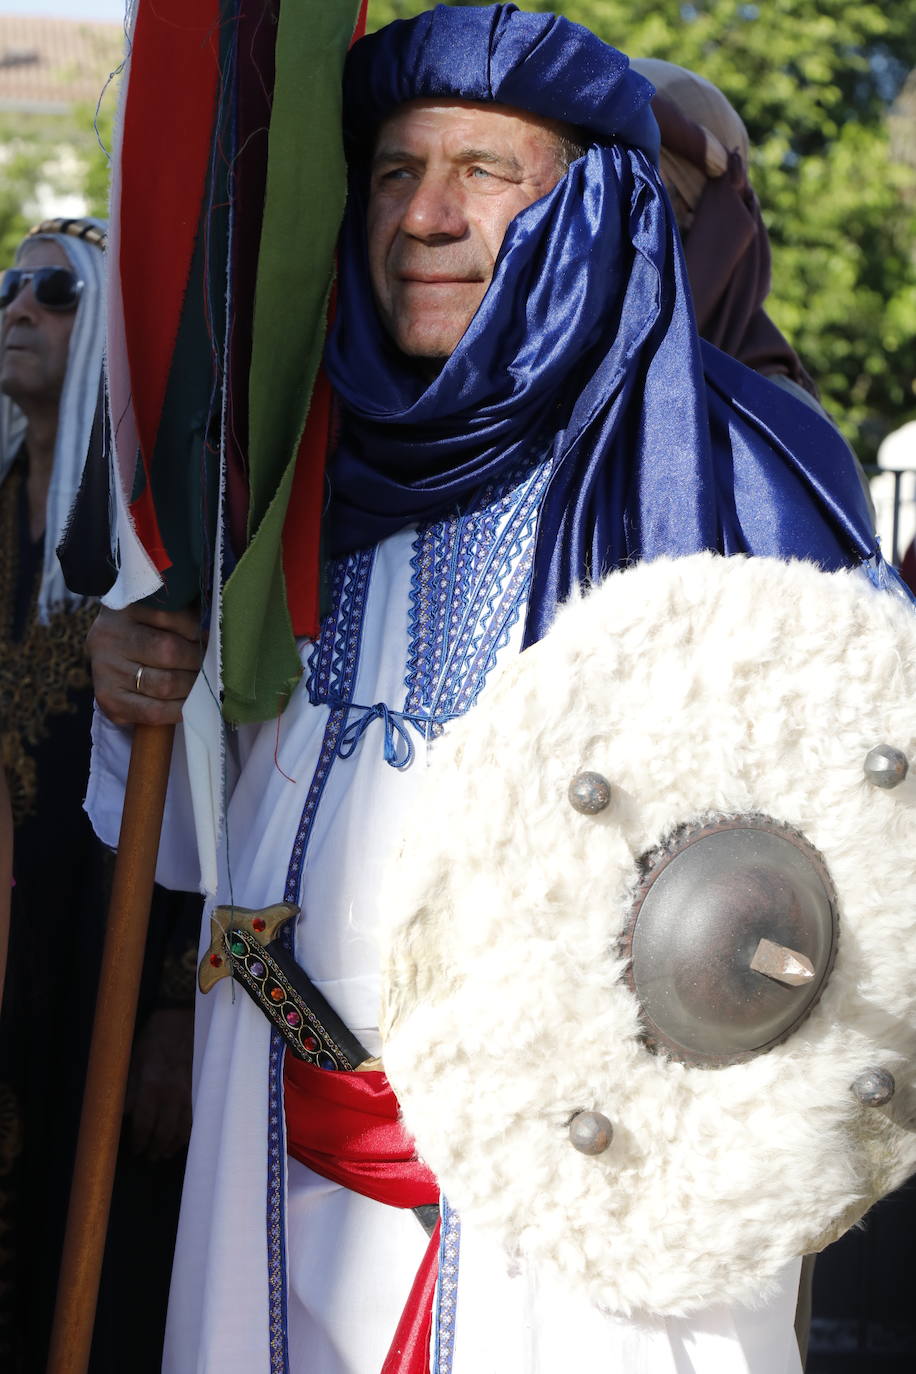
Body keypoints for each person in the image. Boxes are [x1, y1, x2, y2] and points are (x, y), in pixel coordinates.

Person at [85, 8, 888, 1373]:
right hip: (273, 1142)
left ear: (589, 212)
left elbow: (872, 852)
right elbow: (180, 822)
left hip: (589, 1211)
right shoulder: (286, 471)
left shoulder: (737, 458)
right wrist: (134, 686)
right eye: (395, 172)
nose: (427, 217)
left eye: (486, 173)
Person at [0, 218, 197, 1373]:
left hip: (102, 971)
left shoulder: (150, 544)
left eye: (55, 293)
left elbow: (211, 791)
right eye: (10, 288)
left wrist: (174, 1008)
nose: (19, 309)